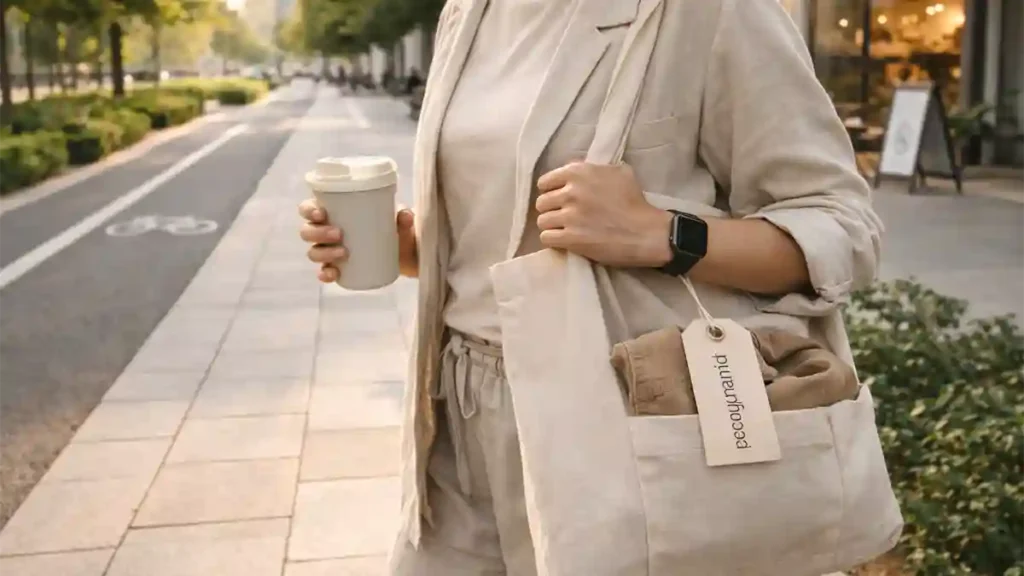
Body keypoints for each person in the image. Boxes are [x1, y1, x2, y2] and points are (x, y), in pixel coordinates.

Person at [298, 0, 883, 573]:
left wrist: (664, 234)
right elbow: (509, 228)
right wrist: (420, 251)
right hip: (459, 417)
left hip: (620, 417)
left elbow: (843, 226)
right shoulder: (468, 11)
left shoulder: (709, 11)